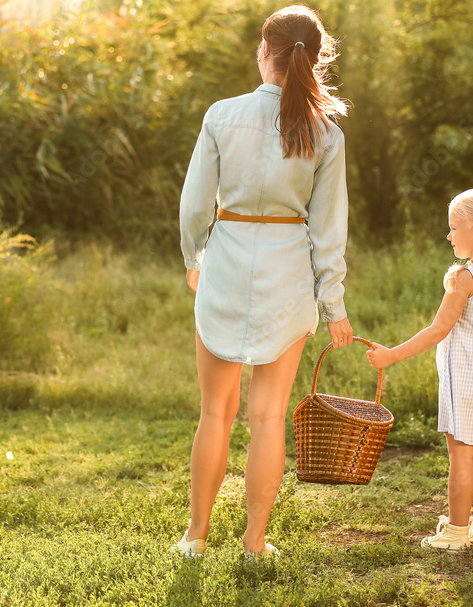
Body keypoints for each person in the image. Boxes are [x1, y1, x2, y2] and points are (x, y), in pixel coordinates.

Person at [173, 5, 354, 557]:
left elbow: (194, 205)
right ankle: (255, 542)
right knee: (268, 416)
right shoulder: (326, 134)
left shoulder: (220, 115)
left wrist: (193, 257)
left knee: (214, 414)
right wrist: (335, 305)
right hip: (288, 279)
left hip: (224, 267)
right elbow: (328, 232)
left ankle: (195, 538)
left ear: (263, 51)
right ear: (315, 59)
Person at [366, 186, 473, 552]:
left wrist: (391, 355)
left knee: (461, 454)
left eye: (453, 227)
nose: (448, 235)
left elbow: (437, 330)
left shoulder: (465, 278)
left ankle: (457, 532)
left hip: (465, 379)